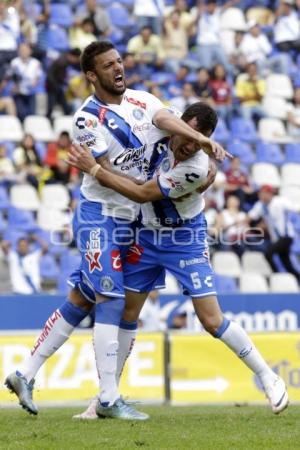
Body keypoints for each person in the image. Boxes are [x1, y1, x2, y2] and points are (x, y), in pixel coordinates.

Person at [5, 41, 226, 420]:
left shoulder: (142, 99)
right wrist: (144, 186)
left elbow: (167, 121)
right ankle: (108, 399)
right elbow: (106, 174)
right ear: (92, 75)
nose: (117, 68)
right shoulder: (86, 120)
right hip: (100, 215)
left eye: (119, 61)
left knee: (81, 299)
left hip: (133, 221)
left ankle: (24, 373)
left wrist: (202, 142)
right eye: (108, 65)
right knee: (111, 297)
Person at [68, 102, 288, 418]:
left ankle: (268, 376)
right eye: (189, 136)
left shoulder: (198, 168)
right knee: (128, 312)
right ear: (181, 124)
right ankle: (107, 397)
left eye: (199, 141)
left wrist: (95, 169)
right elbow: (156, 114)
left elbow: (143, 194)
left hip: (184, 237)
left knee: (211, 320)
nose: (190, 145)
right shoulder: (160, 125)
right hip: (145, 235)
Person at [248, 184, 299, 280]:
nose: (261, 196)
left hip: (286, 236)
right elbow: (251, 216)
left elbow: (294, 209)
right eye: (260, 194)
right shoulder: (260, 205)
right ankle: (297, 278)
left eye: (264, 193)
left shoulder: (280, 201)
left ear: (270, 194)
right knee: (287, 263)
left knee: (268, 253)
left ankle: (277, 275)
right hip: (276, 239)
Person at [10, 42, 42, 121]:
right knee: (21, 114)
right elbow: (12, 77)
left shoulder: (36, 63)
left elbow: (38, 76)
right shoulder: (14, 62)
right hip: (19, 92)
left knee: (32, 114)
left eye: (25, 50)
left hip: (31, 92)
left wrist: (35, 83)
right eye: (22, 50)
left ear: (30, 51)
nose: (23, 52)